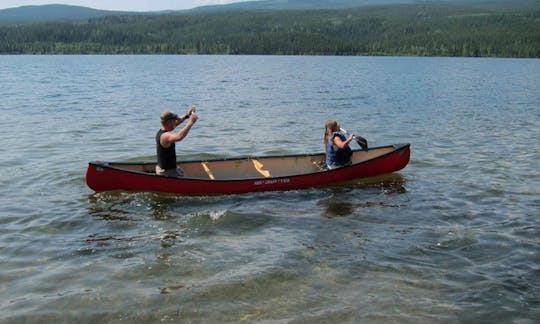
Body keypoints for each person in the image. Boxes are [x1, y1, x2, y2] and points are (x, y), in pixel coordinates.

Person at [156, 106, 198, 177]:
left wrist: (187, 115)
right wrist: (191, 122)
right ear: (169, 122)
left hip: (165, 169)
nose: (175, 123)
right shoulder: (165, 136)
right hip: (167, 173)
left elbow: (176, 123)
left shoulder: (162, 129)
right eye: (174, 121)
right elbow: (179, 137)